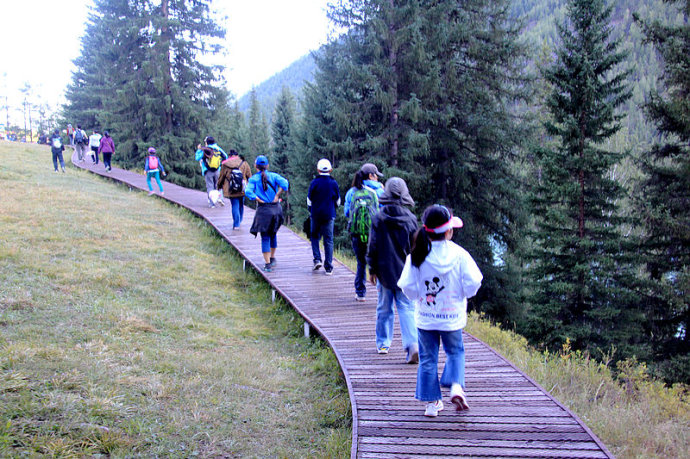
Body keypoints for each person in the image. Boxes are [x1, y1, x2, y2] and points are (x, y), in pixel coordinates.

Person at [397, 205, 483, 417]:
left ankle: (431, 404)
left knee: (427, 359)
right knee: (455, 352)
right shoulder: (460, 254)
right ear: (449, 231)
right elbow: (474, 281)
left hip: (426, 318)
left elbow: (407, 286)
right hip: (452, 317)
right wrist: (463, 294)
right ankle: (456, 386)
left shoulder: (417, 255)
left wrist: (417, 296)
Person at [367, 177, 419, 362]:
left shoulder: (379, 218)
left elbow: (372, 245)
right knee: (406, 308)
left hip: (384, 271)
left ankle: (383, 344)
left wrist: (372, 268)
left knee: (384, 307)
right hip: (405, 271)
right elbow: (417, 248)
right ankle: (412, 345)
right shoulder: (411, 220)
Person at [344, 163, 385, 301]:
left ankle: (360, 293)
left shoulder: (352, 192)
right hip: (374, 233)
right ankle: (381, 293)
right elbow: (383, 211)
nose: (378, 179)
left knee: (361, 262)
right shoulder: (379, 191)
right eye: (376, 175)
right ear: (370, 176)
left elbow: (346, 213)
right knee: (378, 262)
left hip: (357, 233)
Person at [245, 155, 289, 273]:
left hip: (263, 210)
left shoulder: (254, 179)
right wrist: (277, 195)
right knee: (273, 234)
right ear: (267, 166)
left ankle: (267, 264)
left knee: (265, 237)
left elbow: (248, 191)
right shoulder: (274, 176)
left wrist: (257, 199)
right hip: (276, 209)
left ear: (255, 166)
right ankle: (273, 258)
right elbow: (285, 184)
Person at [307, 158, 341, 275]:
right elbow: (338, 201)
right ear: (330, 170)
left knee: (315, 237)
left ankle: (317, 259)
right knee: (328, 240)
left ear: (318, 170)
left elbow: (309, 200)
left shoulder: (314, 183)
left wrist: (310, 210)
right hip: (329, 215)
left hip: (316, 214)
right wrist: (333, 208)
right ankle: (329, 267)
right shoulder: (333, 183)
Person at [217, 149, 251, 230]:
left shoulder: (225, 164)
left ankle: (236, 224)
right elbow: (249, 175)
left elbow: (221, 176)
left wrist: (219, 186)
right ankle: (240, 220)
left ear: (230, 156)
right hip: (242, 188)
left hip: (231, 188)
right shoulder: (244, 163)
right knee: (241, 204)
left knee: (234, 205)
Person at [195, 136, 228, 208]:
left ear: (207, 142)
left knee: (210, 187)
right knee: (218, 185)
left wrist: (198, 150)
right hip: (217, 170)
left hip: (208, 171)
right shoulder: (218, 148)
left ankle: (212, 204)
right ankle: (220, 199)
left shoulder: (205, 149)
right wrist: (220, 165)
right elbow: (225, 156)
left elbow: (197, 158)